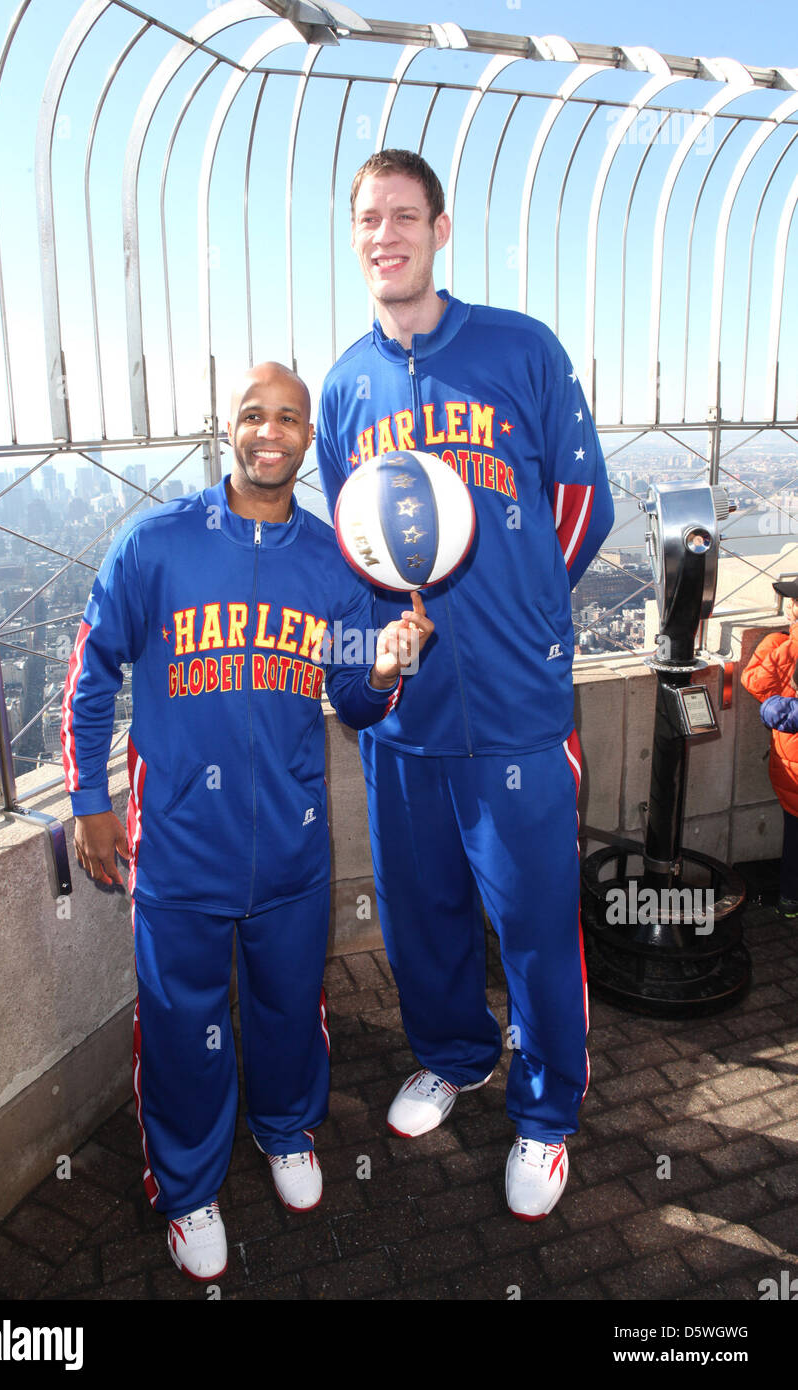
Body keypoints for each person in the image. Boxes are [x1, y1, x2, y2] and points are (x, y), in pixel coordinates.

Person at [61, 361, 433, 1281]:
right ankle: (187, 1190)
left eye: (291, 418)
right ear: (226, 425)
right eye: (253, 415)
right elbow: (92, 669)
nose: (272, 432)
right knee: (182, 1025)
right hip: (182, 847)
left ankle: (288, 1132)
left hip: (294, 846)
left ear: (310, 437)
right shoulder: (155, 545)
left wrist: (386, 666)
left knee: (286, 1006)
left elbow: (352, 698)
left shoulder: (333, 565)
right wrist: (89, 803)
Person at [316, 150, 614, 1220]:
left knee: (533, 919)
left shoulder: (519, 348)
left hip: (516, 707)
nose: (383, 233)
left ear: (441, 229)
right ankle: (452, 1054)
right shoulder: (344, 384)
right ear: (354, 237)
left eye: (403, 215)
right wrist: (366, 676)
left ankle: (544, 1115)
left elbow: (581, 501)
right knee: (420, 914)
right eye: (366, 218)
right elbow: (351, 554)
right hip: (406, 716)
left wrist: (529, 613)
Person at [741, 578, 798, 918]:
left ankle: (791, 899)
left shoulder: (780, 644)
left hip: (792, 763)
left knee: (795, 835)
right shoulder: (781, 643)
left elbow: (758, 689)